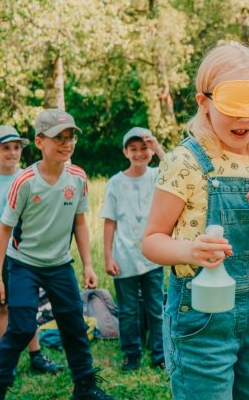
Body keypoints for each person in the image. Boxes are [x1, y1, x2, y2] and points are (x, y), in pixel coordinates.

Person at [142, 44, 249, 399]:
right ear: (204, 102)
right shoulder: (185, 162)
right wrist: (189, 251)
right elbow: (151, 241)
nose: (243, 120)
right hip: (200, 316)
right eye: (232, 106)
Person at [0, 109, 113, 400]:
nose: (66, 144)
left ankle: (85, 388)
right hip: (24, 263)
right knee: (22, 326)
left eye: (70, 137)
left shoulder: (78, 178)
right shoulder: (25, 181)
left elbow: (80, 223)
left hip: (59, 264)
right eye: (58, 138)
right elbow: (3, 230)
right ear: (40, 142)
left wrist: (88, 265)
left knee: (74, 324)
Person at [0, 125, 61, 375]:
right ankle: (6, 360)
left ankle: (36, 355)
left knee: (26, 306)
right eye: (6, 148)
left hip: (27, 252)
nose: (13, 152)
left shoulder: (29, 176)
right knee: (1, 306)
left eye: (16, 147)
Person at [100, 127, 166, 371]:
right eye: (133, 149)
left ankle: (159, 354)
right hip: (124, 257)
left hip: (152, 256)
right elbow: (110, 221)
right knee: (128, 311)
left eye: (144, 148)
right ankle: (131, 354)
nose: (139, 154)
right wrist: (108, 256)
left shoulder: (157, 176)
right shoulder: (116, 182)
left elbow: (174, 168)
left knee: (156, 308)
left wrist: (157, 146)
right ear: (125, 152)